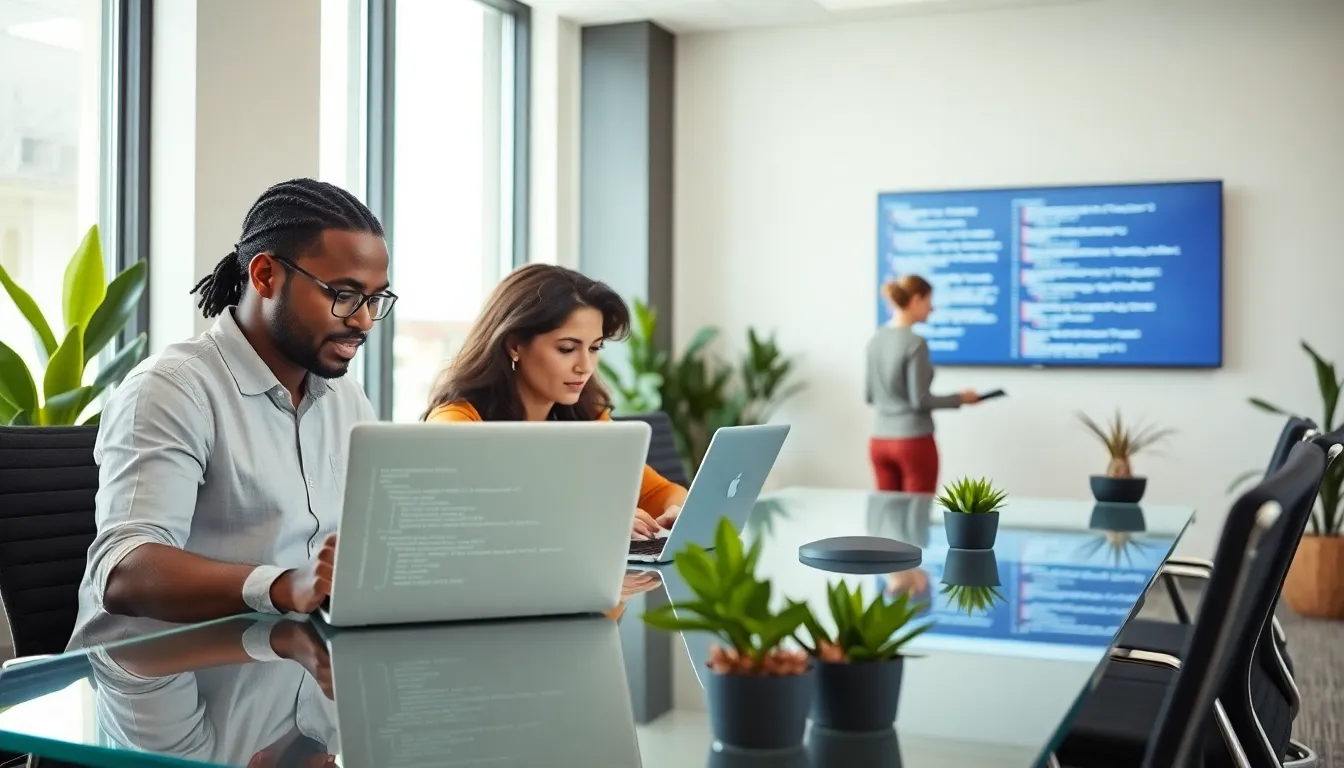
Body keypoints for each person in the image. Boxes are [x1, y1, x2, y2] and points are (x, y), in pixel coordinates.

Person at [68, 178, 394, 646]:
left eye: (375, 299)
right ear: (265, 276)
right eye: (343, 295)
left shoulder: (347, 401)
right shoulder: (172, 389)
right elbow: (125, 571)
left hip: (284, 663)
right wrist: (283, 586)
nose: (363, 320)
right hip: (149, 679)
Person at [421, 263, 686, 539]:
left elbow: (659, 492)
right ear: (514, 346)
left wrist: (676, 510)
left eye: (594, 348)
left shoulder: (587, 417)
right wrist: (596, 519)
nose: (585, 366)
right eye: (567, 349)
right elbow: (478, 514)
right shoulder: (456, 422)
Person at [866, 274, 979, 493]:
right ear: (916, 300)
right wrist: (961, 399)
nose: (932, 309)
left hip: (878, 441)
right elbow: (920, 400)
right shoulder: (915, 342)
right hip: (912, 441)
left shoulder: (875, 340)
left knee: (888, 515)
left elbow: (868, 395)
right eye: (928, 302)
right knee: (918, 517)